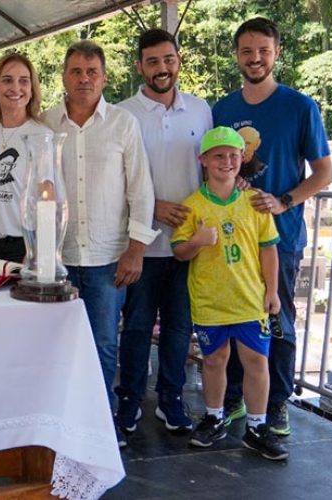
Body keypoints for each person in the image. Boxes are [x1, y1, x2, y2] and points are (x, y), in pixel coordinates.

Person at [216, 17, 332, 437]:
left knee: (276, 316)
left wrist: (283, 201)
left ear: (277, 52)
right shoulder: (222, 110)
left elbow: (323, 174)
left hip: (280, 240)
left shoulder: (301, 107)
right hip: (231, 239)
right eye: (247, 51)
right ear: (237, 56)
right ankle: (232, 397)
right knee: (231, 318)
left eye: (263, 50)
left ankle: (278, 403)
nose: (255, 59)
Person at [41, 40, 156, 448]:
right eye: (76, 71)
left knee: (104, 343)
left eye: (92, 72)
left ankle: (100, 424)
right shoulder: (45, 124)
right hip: (57, 257)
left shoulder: (122, 124)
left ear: (104, 77)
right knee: (56, 346)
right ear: (64, 78)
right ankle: (59, 423)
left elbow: (141, 191)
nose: (84, 79)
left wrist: (136, 249)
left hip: (108, 258)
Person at [114, 29, 213, 435]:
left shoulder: (202, 110)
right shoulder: (123, 114)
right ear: (139, 66)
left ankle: (171, 401)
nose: (161, 68)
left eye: (168, 59)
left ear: (179, 61)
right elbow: (112, 179)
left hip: (187, 245)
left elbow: (217, 165)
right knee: (136, 326)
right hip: (140, 241)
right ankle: (131, 401)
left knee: (178, 327)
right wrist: (152, 206)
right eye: (152, 61)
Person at [172, 126, 286, 461]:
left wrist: (273, 291)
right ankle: (214, 416)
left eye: (233, 155)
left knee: (256, 361)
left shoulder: (255, 202)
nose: (226, 161)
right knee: (214, 359)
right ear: (203, 160)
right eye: (218, 155)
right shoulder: (192, 206)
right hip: (211, 301)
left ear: (242, 160)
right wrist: (197, 241)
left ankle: (257, 425)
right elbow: (180, 251)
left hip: (250, 299)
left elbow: (269, 249)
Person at [0, 52, 53, 263]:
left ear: (32, 90)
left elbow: (48, 197)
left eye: (24, 81)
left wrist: (38, 251)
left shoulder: (41, 136)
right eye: (7, 80)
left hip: (20, 246)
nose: (16, 88)